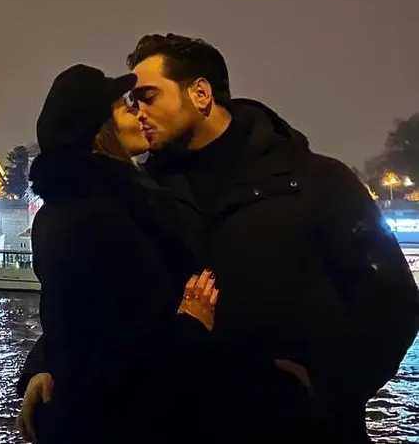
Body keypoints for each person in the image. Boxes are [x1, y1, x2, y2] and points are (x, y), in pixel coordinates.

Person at [126, 33, 419, 441]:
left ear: (200, 93)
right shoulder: (143, 195)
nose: (136, 111)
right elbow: (102, 297)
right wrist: (45, 365)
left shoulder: (318, 181)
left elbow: (393, 301)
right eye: (132, 101)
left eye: (148, 96)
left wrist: (326, 390)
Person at [19, 63, 218, 443]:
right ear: (100, 130)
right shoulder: (110, 216)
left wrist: (43, 366)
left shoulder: (67, 209)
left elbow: (73, 324)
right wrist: (192, 324)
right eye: (128, 106)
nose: (139, 112)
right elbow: (122, 347)